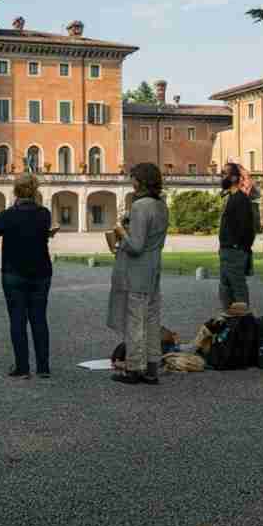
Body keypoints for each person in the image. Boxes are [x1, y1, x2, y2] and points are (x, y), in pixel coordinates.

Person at [107, 162, 170, 385]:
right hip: (154, 269)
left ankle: (134, 368)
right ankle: (152, 368)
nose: (130, 182)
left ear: (141, 180)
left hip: (137, 271)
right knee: (152, 320)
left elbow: (135, 245)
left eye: (133, 178)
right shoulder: (161, 205)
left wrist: (121, 230)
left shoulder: (140, 206)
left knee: (135, 322)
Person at [0, 174, 58, 379]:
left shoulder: (9, 214)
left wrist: (13, 207)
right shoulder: (44, 214)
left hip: (14, 272)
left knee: (18, 320)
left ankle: (22, 367)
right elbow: (38, 232)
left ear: (16, 191)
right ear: (35, 190)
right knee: (39, 319)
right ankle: (43, 367)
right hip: (40, 272)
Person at [218, 163, 256, 308]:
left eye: (224, 174)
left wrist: (239, 247)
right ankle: (230, 320)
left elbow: (247, 228)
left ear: (234, 177)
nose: (221, 177)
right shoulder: (231, 197)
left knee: (237, 288)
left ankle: (243, 322)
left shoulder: (241, 199)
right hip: (227, 250)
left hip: (234, 251)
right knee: (226, 288)